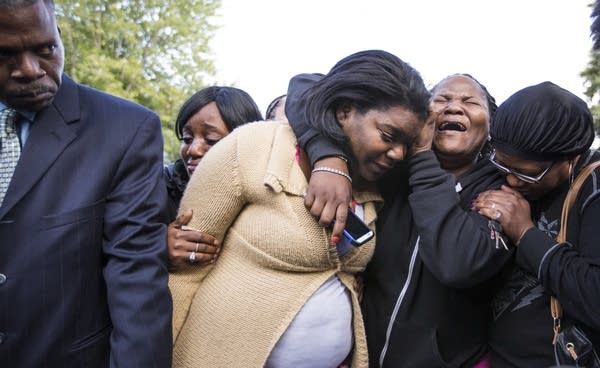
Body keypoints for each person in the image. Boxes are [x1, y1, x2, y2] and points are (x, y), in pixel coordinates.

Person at [168, 49, 430, 368]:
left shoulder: (376, 182)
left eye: (407, 143)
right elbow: (184, 274)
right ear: (345, 111)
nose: (398, 154)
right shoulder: (254, 147)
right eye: (389, 136)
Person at [285, 73, 512, 366]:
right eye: (441, 100)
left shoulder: (503, 191)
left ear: (491, 123)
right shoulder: (389, 166)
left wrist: (422, 159)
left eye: (470, 102)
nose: (454, 107)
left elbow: (457, 264)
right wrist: (329, 158)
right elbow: (305, 86)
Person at [0, 1, 172, 366]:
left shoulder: (125, 130)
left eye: (45, 49)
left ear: (59, 36)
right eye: (5, 54)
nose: (30, 70)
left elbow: (137, 281)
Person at [472, 81, 600, 367]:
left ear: (570, 159)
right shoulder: (514, 176)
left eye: (527, 174)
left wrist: (525, 233)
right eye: (503, 166)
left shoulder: (594, 185)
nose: (512, 181)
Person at [164, 86, 262, 269]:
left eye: (211, 140)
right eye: (187, 138)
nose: (193, 149)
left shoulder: (264, 196)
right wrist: (155, 248)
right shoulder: (157, 188)